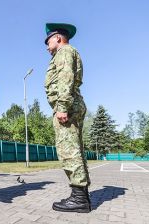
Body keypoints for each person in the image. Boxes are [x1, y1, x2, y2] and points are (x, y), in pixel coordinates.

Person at [44, 23, 91, 213]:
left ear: (57, 38)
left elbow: (66, 78)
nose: (47, 46)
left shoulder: (64, 52)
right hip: (73, 104)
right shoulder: (68, 52)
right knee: (75, 150)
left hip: (67, 107)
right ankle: (82, 195)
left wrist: (61, 107)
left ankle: (79, 198)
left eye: (48, 41)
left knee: (69, 151)